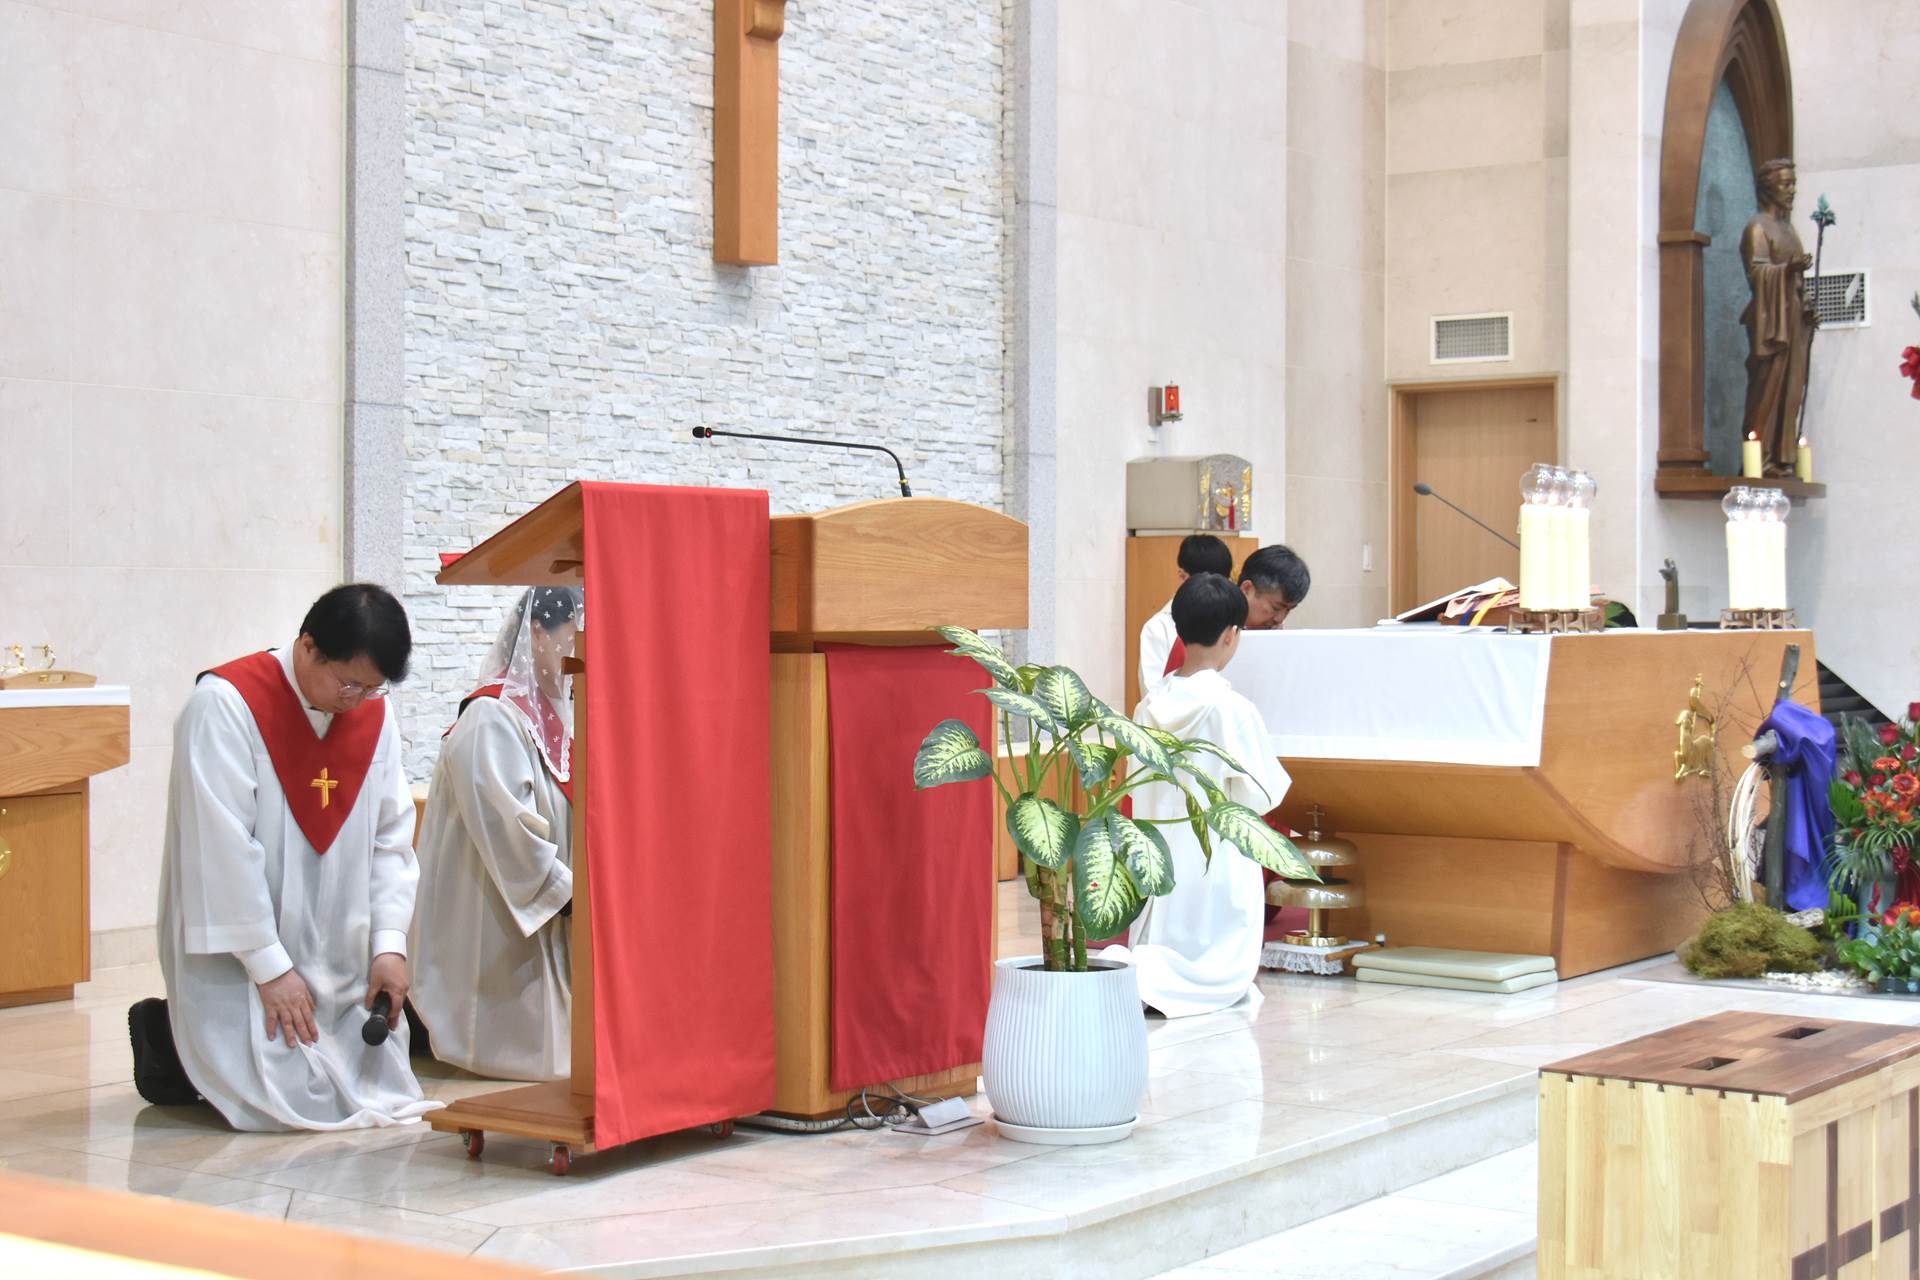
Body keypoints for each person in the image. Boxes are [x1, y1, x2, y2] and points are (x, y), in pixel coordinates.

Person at [129, 585, 439, 1131]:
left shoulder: (372, 714)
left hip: (342, 955)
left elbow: (390, 837)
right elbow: (219, 849)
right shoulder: (226, 706)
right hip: (246, 957)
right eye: (348, 683)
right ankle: (167, 1041)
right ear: (308, 646)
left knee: (374, 1083)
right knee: (277, 1093)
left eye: (371, 688)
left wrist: (389, 945)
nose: (356, 701)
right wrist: (270, 968)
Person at [410, 587, 580, 1081]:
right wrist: (573, 895)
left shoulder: (561, 715)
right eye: (574, 640)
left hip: (552, 910)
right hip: (495, 916)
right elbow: (508, 828)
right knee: (539, 1055)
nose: (581, 658)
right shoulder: (491, 717)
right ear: (536, 634)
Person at [1107, 574, 1291, 1017]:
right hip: (1216, 863)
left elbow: (1136, 781)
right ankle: (1160, 978)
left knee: (1158, 942)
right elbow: (1262, 794)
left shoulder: (1147, 706)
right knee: (1219, 966)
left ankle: (1137, 971)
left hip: (1158, 856)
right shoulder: (1232, 709)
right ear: (1231, 635)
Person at [1740, 157, 1818, 474]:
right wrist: (1787, 269)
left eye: (1793, 184)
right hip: (1771, 323)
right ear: (1768, 189)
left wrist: (1807, 306)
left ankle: (1783, 456)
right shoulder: (1757, 228)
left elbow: (1796, 280)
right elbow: (1757, 272)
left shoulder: (1789, 230)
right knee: (1768, 387)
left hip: (1793, 319)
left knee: (1792, 387)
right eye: (1785, 184)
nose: (1792, 190)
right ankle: (1761, 457)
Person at [1159, 543, 1311, 677]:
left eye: (1289, 610)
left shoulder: (1280, 638)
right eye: (1276, 607)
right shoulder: (1204, 629)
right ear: (1247, 589)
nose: (1280, 618)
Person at [1137, 534, 1233, 697]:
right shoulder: (1159, 627)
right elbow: (1151, 693)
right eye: (1204, 582)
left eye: (1221, 583)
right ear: (1182, 576)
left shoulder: (1232, 625)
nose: (1214, 591)